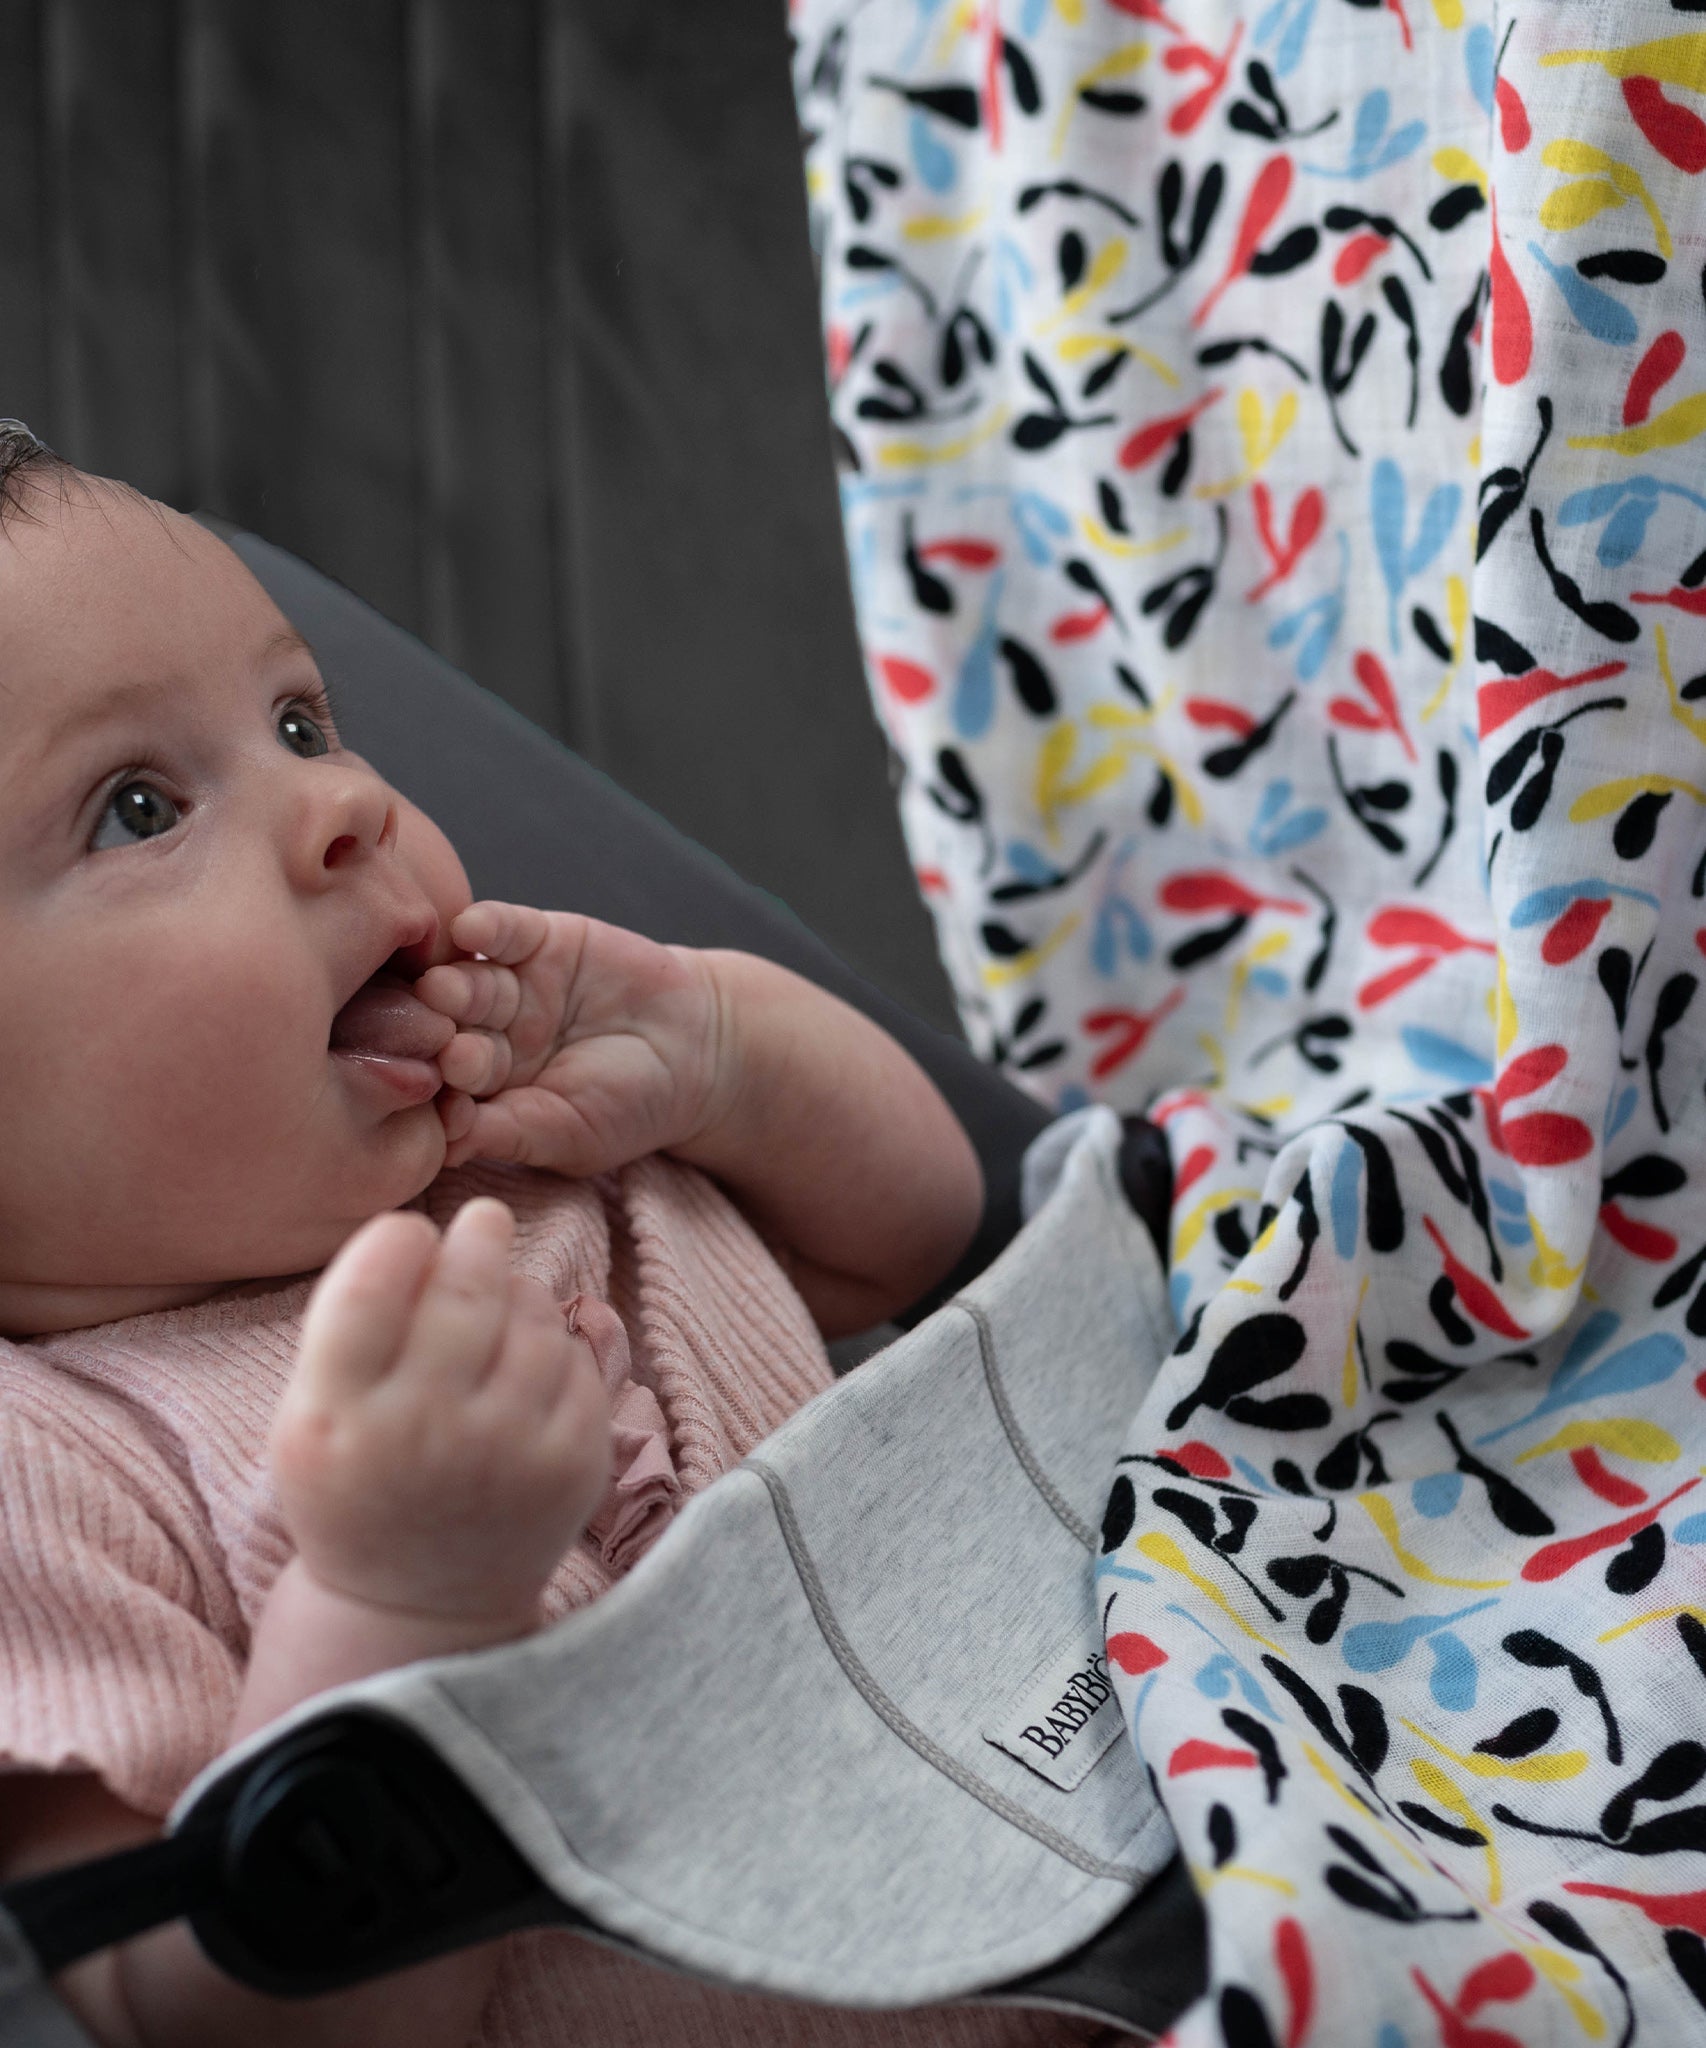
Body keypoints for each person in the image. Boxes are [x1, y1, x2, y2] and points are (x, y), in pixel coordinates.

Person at [0, 436, 1115, 2048]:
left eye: (302, 721)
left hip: (1161, 1906)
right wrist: (396, 1598)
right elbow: (207, 2017)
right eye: (137, 806)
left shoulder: (544, 1135)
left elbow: (927, 1236)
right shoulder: (50, 1472)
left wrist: (725, 1050)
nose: (344, 804)